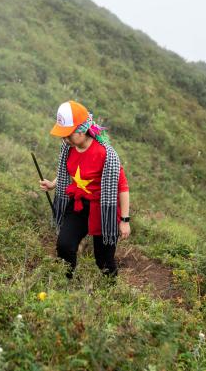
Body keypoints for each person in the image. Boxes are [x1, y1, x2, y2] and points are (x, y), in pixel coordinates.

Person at [39, 100, 130, 279]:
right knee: (64, 246)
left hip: (102, 210)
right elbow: (69, 172)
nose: (64, 139)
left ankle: (110, 291)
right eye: (63, 135)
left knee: (103, 260)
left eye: (68, 135)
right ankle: (65, 282)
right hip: (78, 205)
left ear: (82, 130)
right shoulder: (69, 149)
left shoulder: (105, 154)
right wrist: (53, 184)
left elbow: (123, 187)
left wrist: (125, 220)